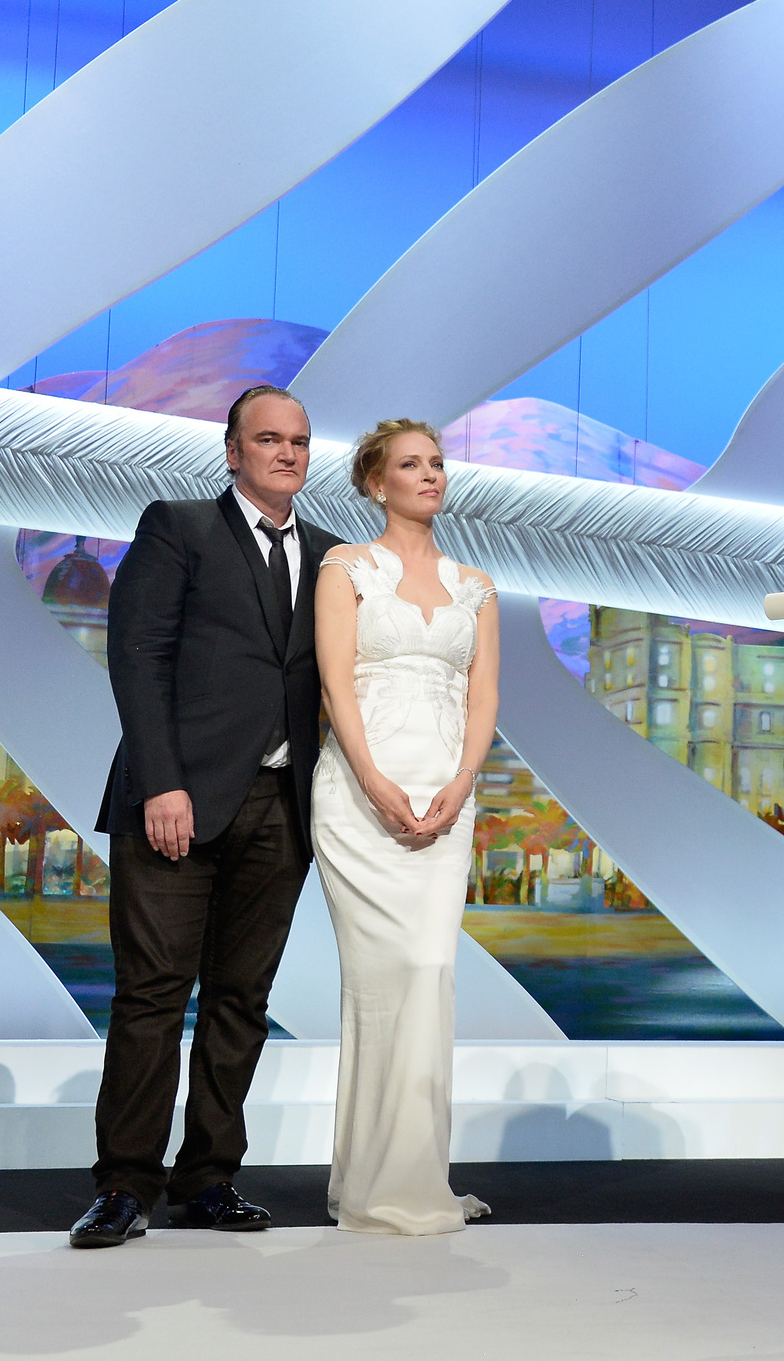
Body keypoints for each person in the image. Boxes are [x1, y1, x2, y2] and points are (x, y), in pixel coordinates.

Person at [73, 387, 344, 1248]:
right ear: (233, 451)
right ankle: (123, 1185)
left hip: (282, 807)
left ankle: (210, 1178)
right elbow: (138, 653)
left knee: (241, 1000)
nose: (287, 453)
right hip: (176, 799)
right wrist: (162, 781)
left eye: (299, 441)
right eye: (269, 439)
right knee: (152, 995)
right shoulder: (177, 525)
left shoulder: (337, 558)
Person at [311, 418, 499, 1234]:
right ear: (374, 482)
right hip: (360, 794)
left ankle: (410, 1176)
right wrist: (374, 779)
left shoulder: (476, 584)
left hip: (445, 800)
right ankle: (371, 1183)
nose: (430, 475)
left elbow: (484, 698)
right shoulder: (344, 568)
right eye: (411, 464)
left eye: (437, 463)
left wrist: (462, 782)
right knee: (383, 983)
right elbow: (333, 685)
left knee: (430, 973)